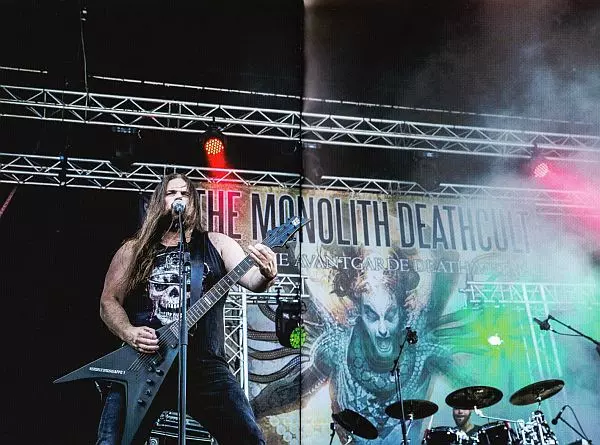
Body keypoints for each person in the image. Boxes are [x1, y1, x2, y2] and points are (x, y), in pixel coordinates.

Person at [97, 173, 277, 445]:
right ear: (159, 202)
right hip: (143, 361)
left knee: (249, 438)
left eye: (185, 193)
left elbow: (252, 280)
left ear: (193, 202)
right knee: (112, 441)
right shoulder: (133, 250)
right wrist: (129, 332)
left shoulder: (218, 244)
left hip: (204, 366)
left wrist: (266, 274)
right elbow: (109, 301)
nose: (179, 197)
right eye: (172, 193)